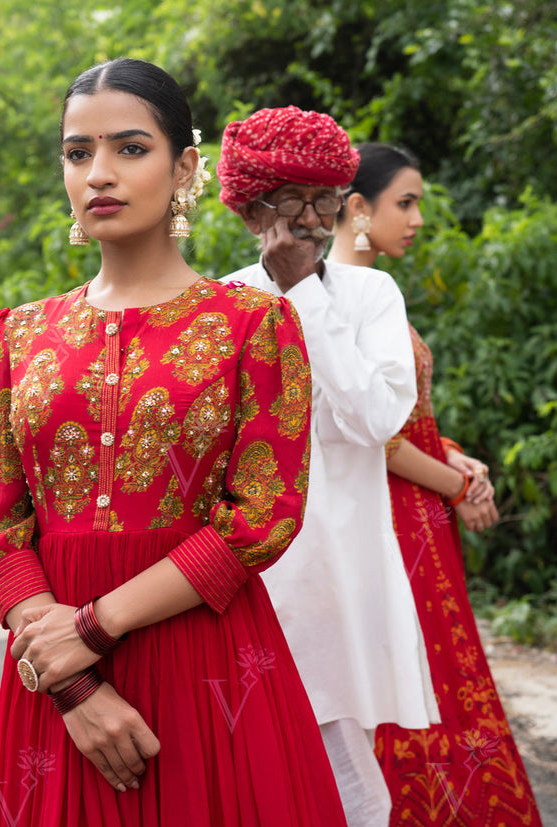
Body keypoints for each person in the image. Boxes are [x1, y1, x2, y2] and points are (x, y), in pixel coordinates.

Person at [0, 59, 349, 827]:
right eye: (78, 153)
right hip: (56, 676)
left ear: (186, 168)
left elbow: (264, 513)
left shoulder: (254, 327)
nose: (99, 173)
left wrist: (91, 627)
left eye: (130, 149)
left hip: (202, 662)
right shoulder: (17, 335)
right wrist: (72, 681)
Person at [217, 106, 439, 827]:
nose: (310, 218)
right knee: (256, 772)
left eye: (323, 200)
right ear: (253, 213)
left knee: (351, 785)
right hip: (253, 576)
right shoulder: (223, 302)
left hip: (344, 575)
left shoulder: (373, 295)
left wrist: (306, 294)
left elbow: (377, 420)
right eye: (289, 201)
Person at [329, 141, 543, 826]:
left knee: (435, 672)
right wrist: (455, 482)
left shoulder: (368, 292)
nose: (419, 218)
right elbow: (377, 439)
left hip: (414, 513)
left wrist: (451, 453)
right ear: (358, 208)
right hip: (386, 519)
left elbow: (401, 418)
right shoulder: (338, 298)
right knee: (409, 676)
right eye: (406, 202)